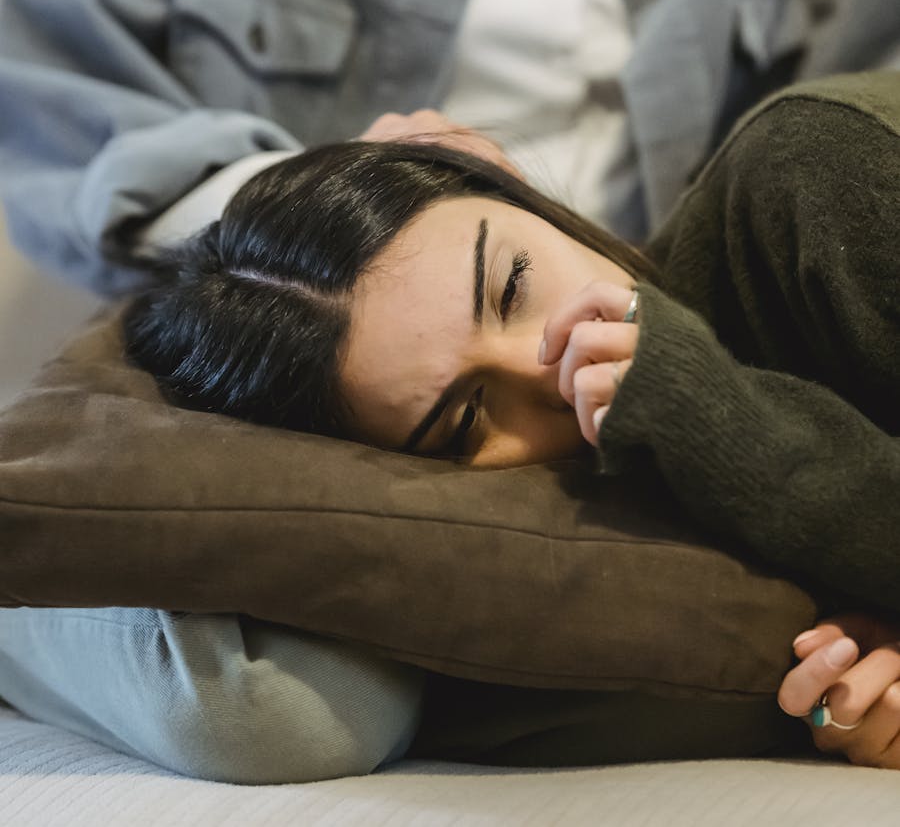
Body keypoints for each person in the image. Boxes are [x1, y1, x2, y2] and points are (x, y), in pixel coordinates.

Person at [1, 0, 899, 786]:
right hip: (343, 404)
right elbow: (35, 86)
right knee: (275, 702)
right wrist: (297, 191)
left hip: (665, 370)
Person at [120, 70, 900, 769]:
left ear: (506, 186)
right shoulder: (595, 567)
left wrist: (720, 419)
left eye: (514, 284)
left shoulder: (817, 175)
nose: (553, 368)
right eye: (466, 421)